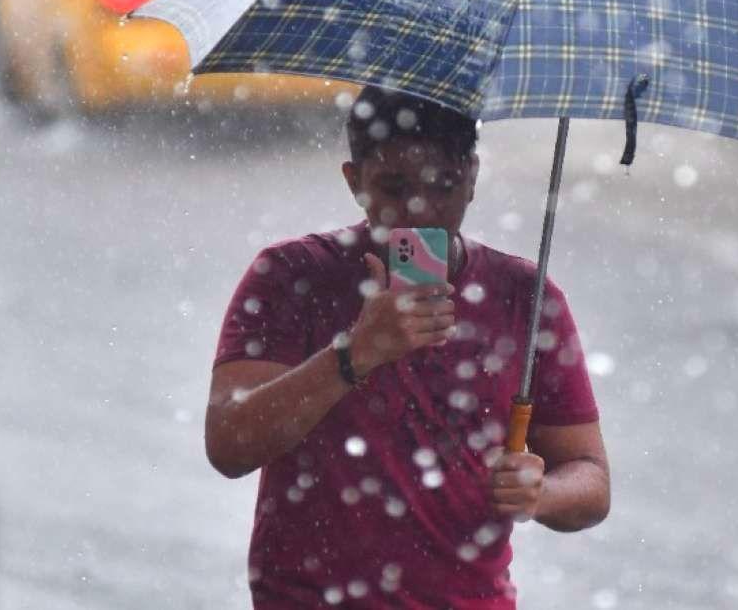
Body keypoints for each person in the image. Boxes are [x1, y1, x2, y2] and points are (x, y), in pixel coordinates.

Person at [205, 85, 610, 608]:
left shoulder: (526, 299)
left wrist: (542, 493)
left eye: (442, 184)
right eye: (394, 186)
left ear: (472, 177)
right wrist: (355, 354)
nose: (420, 209)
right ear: (355, 181)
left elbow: (591, 479)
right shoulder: (290, 277)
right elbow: (229, 444)